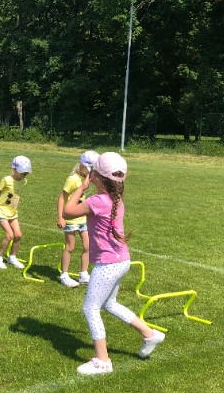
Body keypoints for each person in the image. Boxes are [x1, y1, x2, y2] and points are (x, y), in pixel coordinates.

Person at [63, 152, 165, 375]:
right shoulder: (115, 199)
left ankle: (103, 361)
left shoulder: (97, 201)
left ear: (97, 177)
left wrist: (81, 187)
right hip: (122, 260)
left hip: (108, 264)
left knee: (90, 308)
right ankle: (150, 334)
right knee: (109, 304)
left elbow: (67, 211)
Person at [56, 150, 99, 287]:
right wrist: (60, 217)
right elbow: (62, 197)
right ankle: (64, 275)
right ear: (82, 165)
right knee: (70, 246)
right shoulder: (73, 179)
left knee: (87, 246)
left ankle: (83, 274)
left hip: (82, 219)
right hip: (71, 219)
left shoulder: (87, 178)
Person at [0, 156, 31, 269]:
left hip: (12, 211)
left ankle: (12, 257)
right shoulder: (6, 180)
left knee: (18, 235)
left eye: (26, 172)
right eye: (22, 172)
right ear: (14, 169)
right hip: (1, 210)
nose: (24, 174)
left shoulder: (24, 181)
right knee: (9, 235)